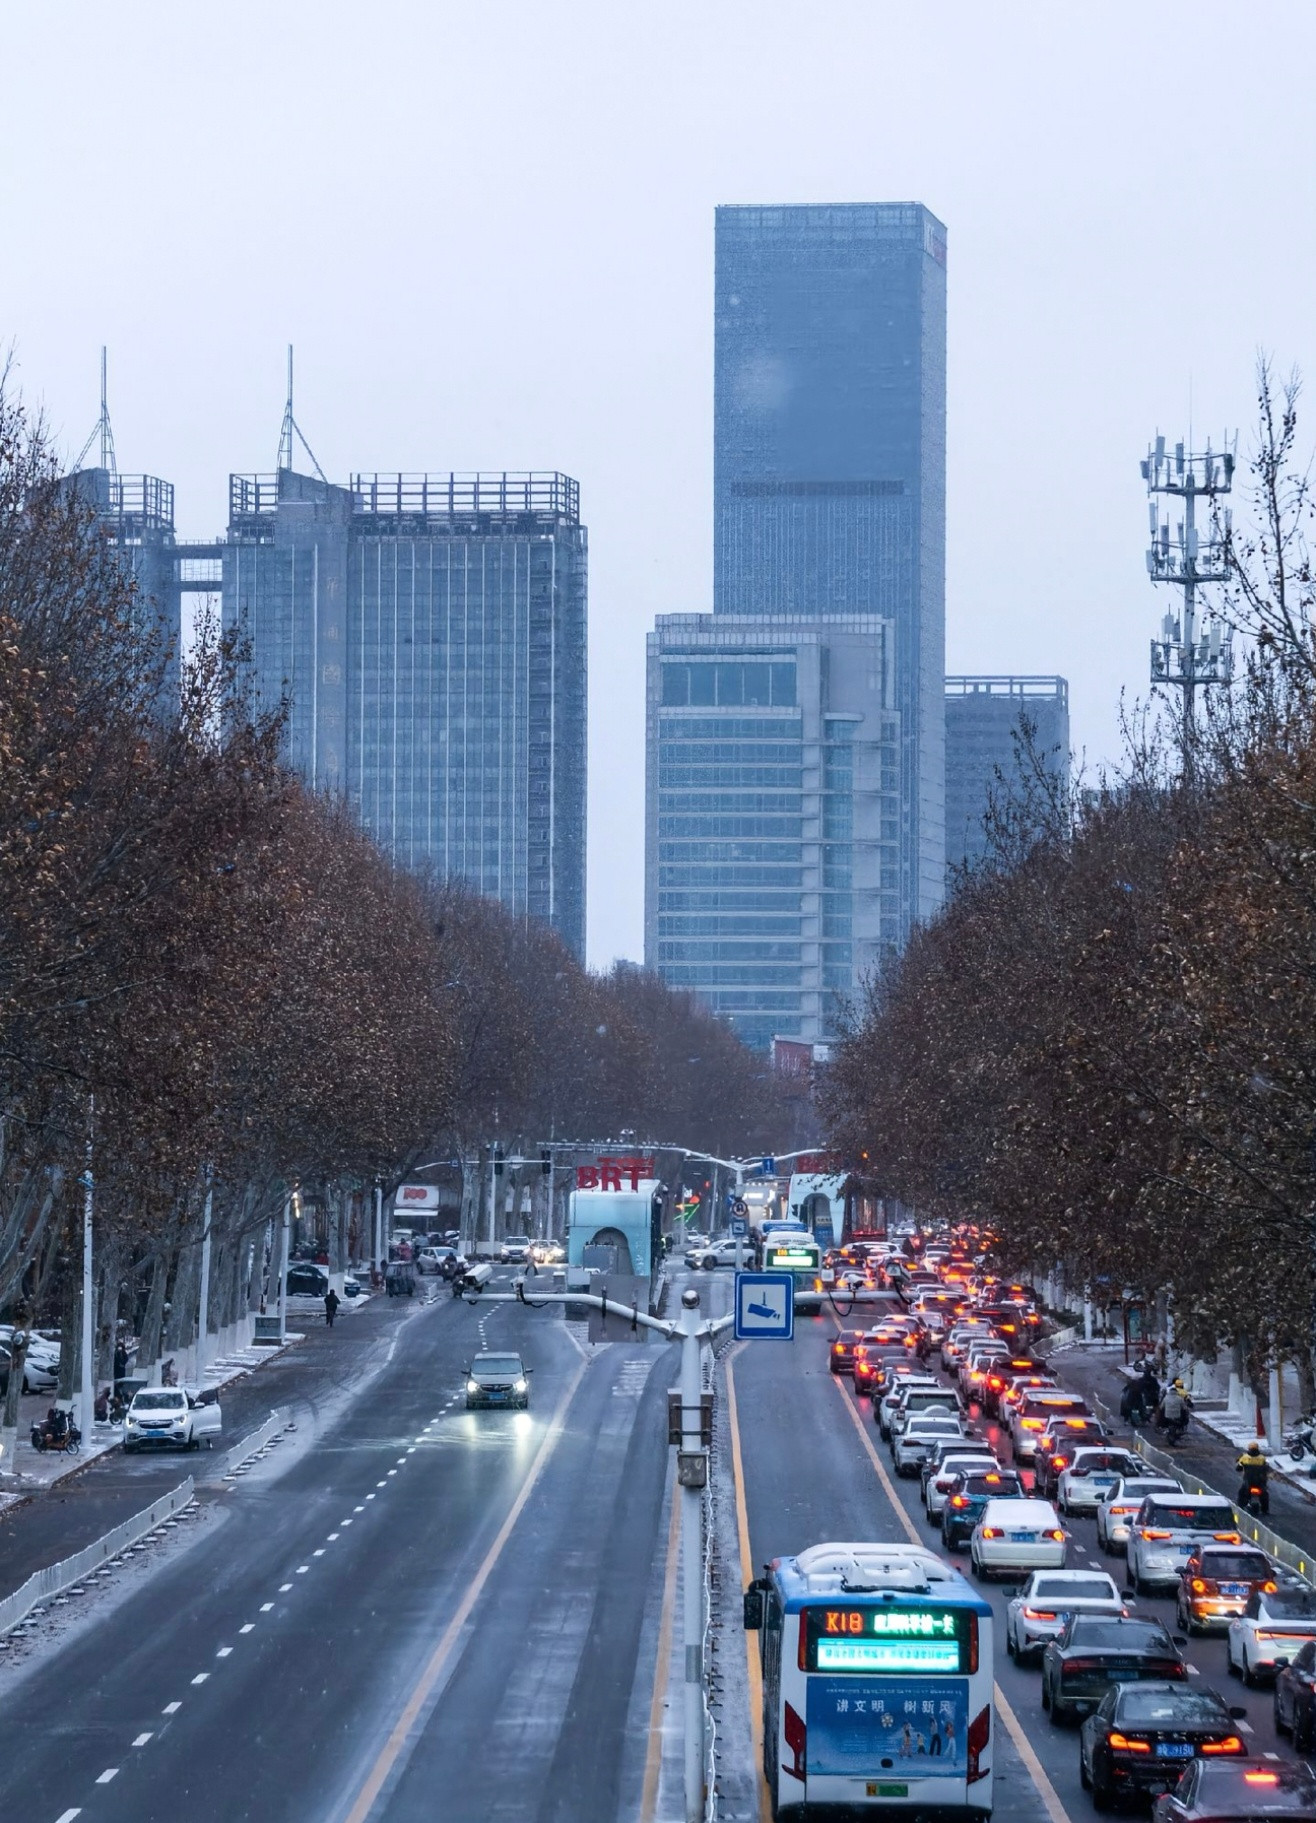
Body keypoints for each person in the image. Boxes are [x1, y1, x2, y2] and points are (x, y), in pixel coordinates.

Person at [1236, 1440, 1270, 1514]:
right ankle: (1265, 1510)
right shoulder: (1262, 1458)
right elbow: (1266, 1467)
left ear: (1249, 1449)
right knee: (1265, 1495)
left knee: (1241, 1493)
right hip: (1260, 1481)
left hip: (1248, 1481)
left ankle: (1240, 1507)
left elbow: (1238, 1468)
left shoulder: (1245, 1457)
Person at [1160, 1377, 1192, 1442]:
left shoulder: (1167, 1395)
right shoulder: (1181, 1395)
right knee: (1184, 1419)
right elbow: (1185, 1406)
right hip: (1177, 1415)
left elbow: (1161, 1406)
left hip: (1167, 1416)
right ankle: (1181, 1429)